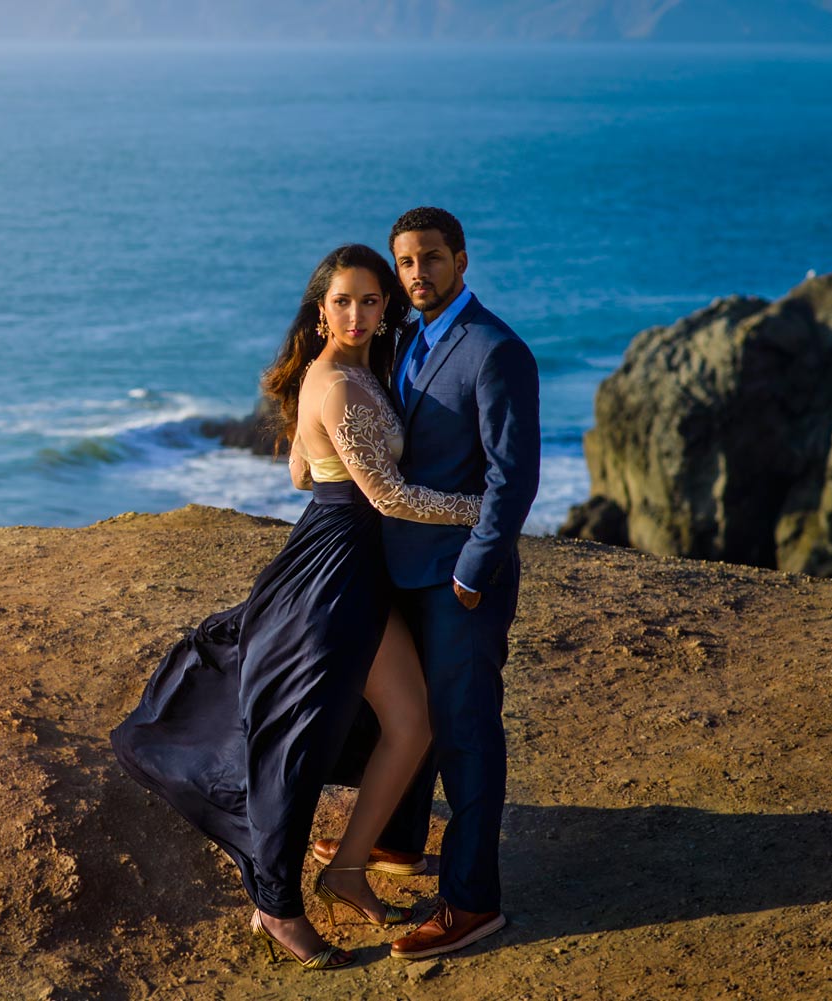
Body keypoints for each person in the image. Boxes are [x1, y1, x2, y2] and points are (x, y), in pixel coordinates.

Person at [110, 243, 484, 972]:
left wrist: (324, 452)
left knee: (412, 722)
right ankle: (277, 907)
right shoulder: (341, 386)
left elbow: (297, 472)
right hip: (337, 574)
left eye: (371, 301)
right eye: (343, 302)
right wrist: (485, 508)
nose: (357, 313)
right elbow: (391, 497)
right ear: (321, 312)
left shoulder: (350, 374)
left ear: (385, 308)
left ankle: (345, 871)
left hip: (351, 559)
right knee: (298, 740)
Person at [314, 207, 541, 960]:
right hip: (398, 569)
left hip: (458, 580)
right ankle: (402, 842)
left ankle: (473, 902)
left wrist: (476, 569)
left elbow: (514, 479)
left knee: (468, 734)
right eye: (405, 262)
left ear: (462, 260)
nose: (416, 274)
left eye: (431, 259)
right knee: (404, 714)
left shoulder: (497, 350)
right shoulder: (403, 335)